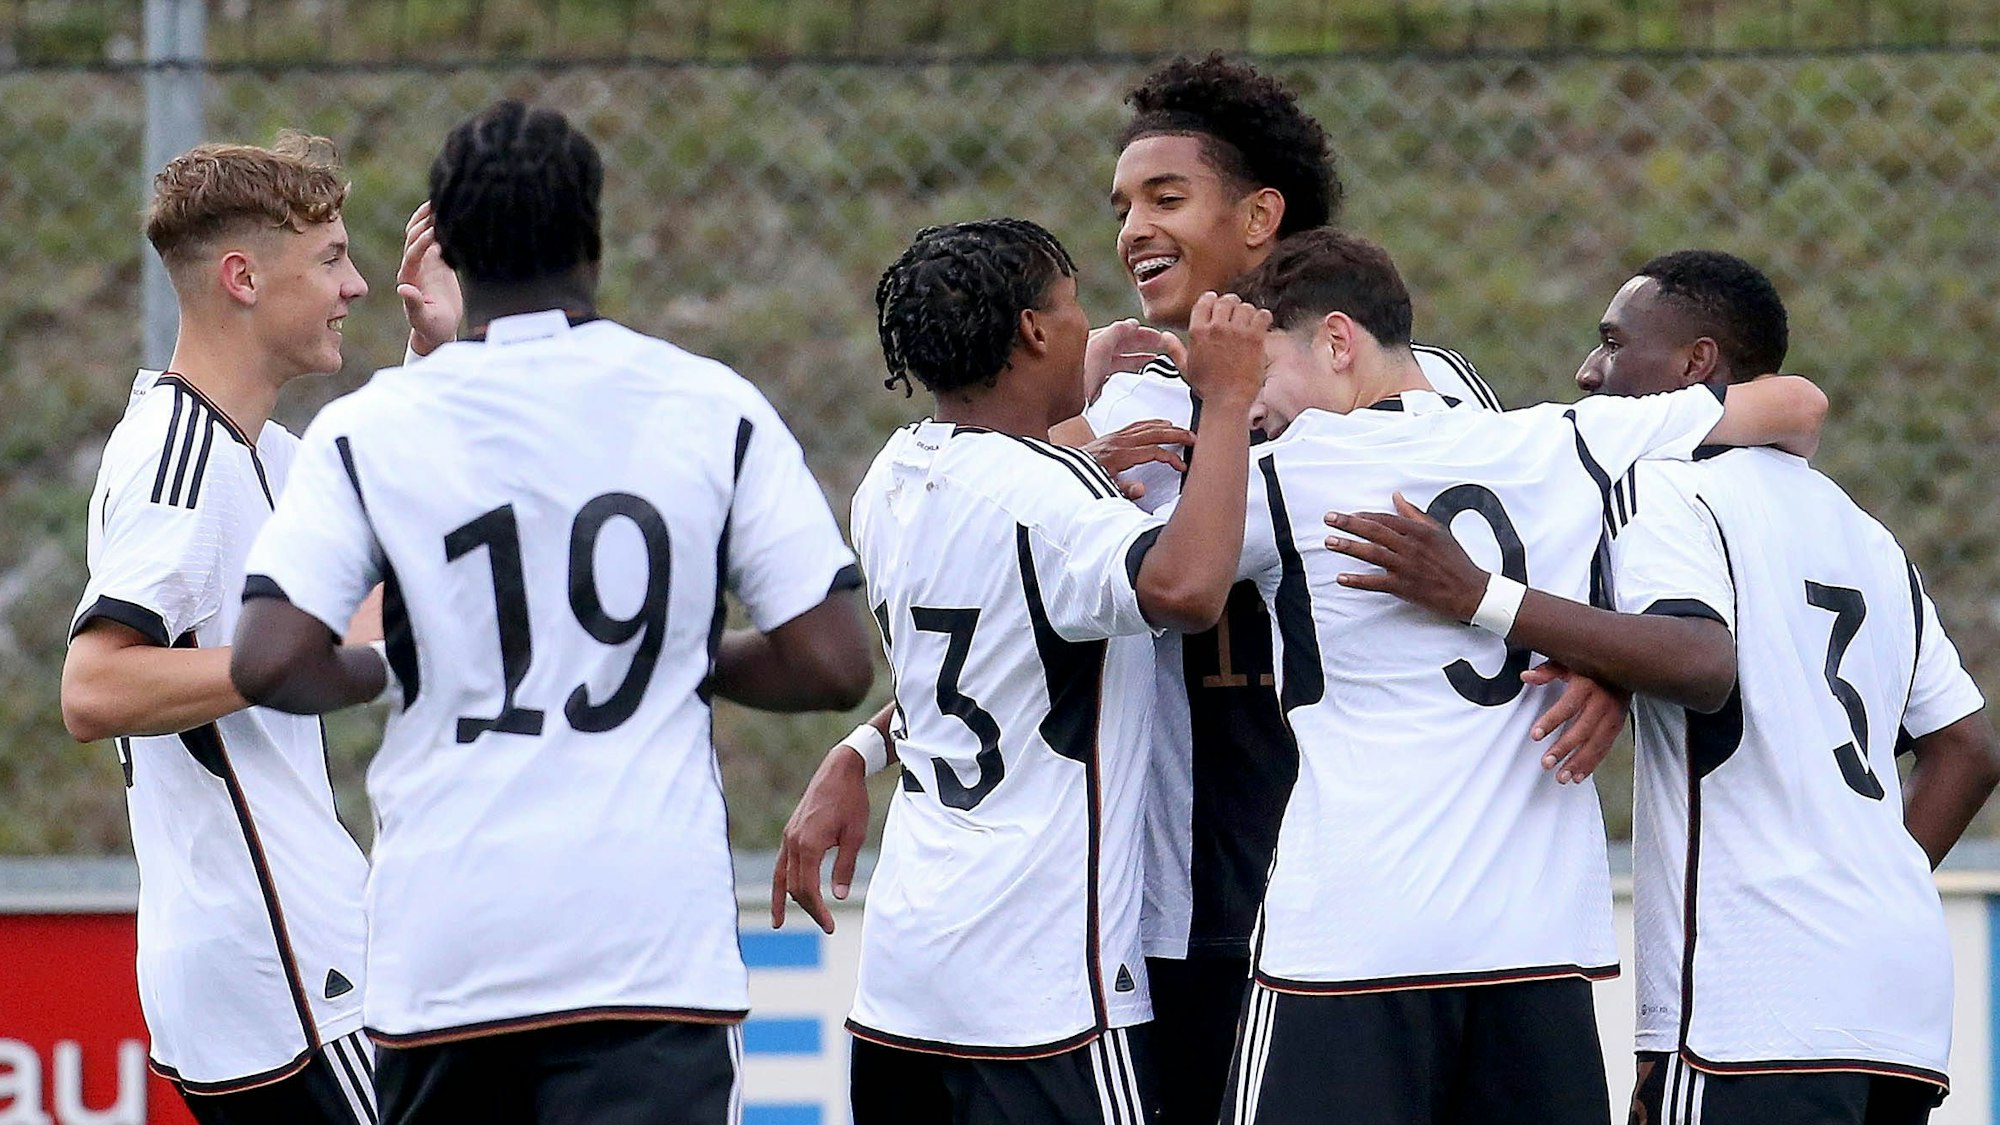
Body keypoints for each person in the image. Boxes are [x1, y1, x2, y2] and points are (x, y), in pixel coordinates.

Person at [226, 100, 874, 1124]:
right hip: (645, 949)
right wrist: (674, 652)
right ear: (593, 237)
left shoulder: (372, 427)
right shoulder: (707, 403)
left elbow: (266, 661)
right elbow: (834, 662)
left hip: (446, 953)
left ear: (454, 252)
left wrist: (395, 663)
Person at [1326, 250, 2000, 1125]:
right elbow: (1969, 747)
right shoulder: (1862, 528)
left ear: (1695, 367)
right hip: (1895, 1002)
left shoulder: (1667, 484)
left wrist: (1480, 595)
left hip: (1751, 1003)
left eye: (1612, 342)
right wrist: (1874, 888)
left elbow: (1699, 658)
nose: (1588, 369)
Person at [1067, 55, 1616, 1125]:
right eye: (1122, 206)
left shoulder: (1432, 388)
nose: (1131, 230)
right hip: (1189, 896)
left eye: (1163, 199)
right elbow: (1020, 593)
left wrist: (1601, 665)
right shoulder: (1125, 400)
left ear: (1261, 216)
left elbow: (1543, 548)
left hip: (1410, 888)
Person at [1207, 229, 1828, 1125]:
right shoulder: (1564, 444)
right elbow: (1798, 405)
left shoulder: (1291, 472)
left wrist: (1198, 418)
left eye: (1265, 376)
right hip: (1536, 947)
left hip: (1351, 937)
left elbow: (1168, 577)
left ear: (1338, 343)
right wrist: (1594, 652)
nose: (1260, 406)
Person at [778, 218, 1264, 1123]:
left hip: (905, 980)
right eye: (1074, 307)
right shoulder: (1056, 500)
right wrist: (1228, 399)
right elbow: (1188, 588)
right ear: (1035, 332)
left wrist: (860, 748)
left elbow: (1001, 621)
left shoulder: (887, 480)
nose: (1090, 325)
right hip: (1044, 995)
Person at [59, 131, 456, 1124]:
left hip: (272, 960)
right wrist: (296, 656)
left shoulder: (255, 452)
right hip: (282, 962)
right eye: (329, 259)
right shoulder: (177, 463)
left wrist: (430, 354)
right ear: (241, 278)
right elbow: (94, 689)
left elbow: (363, 496)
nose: (357, 286)